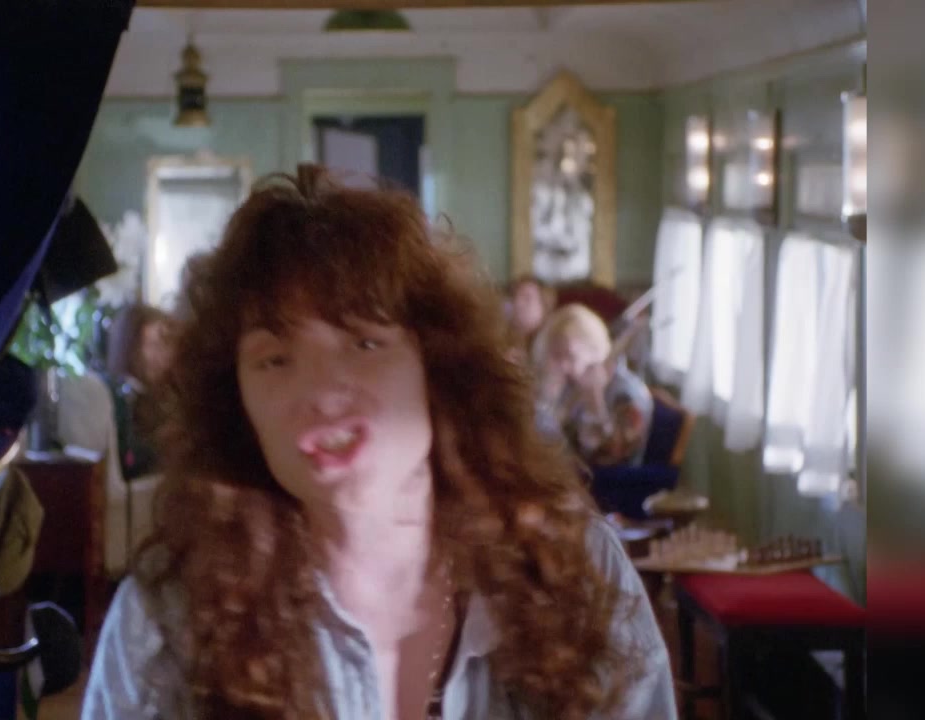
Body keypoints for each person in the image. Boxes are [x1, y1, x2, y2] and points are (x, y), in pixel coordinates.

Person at [82, 166, 676, 720]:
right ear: (235, 401)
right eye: (275, 359)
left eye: (364, 343)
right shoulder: (167, 620)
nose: (320, 392)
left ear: (438, 368)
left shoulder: (574, 567)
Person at [532, 303, 654, 468]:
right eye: (557, 357)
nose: (564, 367)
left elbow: (613, 455)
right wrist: (547, 397)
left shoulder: (628, 393)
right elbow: (548, 440)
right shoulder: (572, 385)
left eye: (569, 356)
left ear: (595, 348)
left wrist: (594, 399)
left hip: (611, 479)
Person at [102, 303, 175, 480]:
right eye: (153, 345)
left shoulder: (173, 398)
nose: (162, 354)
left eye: (167, 344)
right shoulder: (121, 400)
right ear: (129, 348)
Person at [503, 274, 554, 367]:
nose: (517, 303)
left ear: (544, 306)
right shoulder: (501, 337)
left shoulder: (551, 343)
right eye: (514, 297)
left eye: (527, 298)